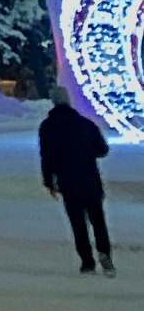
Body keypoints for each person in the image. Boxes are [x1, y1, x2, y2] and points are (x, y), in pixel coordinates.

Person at [39, 89, 115, 274]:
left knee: (78, 223)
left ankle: (87, 261)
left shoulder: (47, 127)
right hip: (89, 179)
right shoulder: (85, 124)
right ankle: (104, 253)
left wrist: (50, 181)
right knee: (98, 220)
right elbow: (102, 149)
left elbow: (46, 157)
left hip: (68, 182)